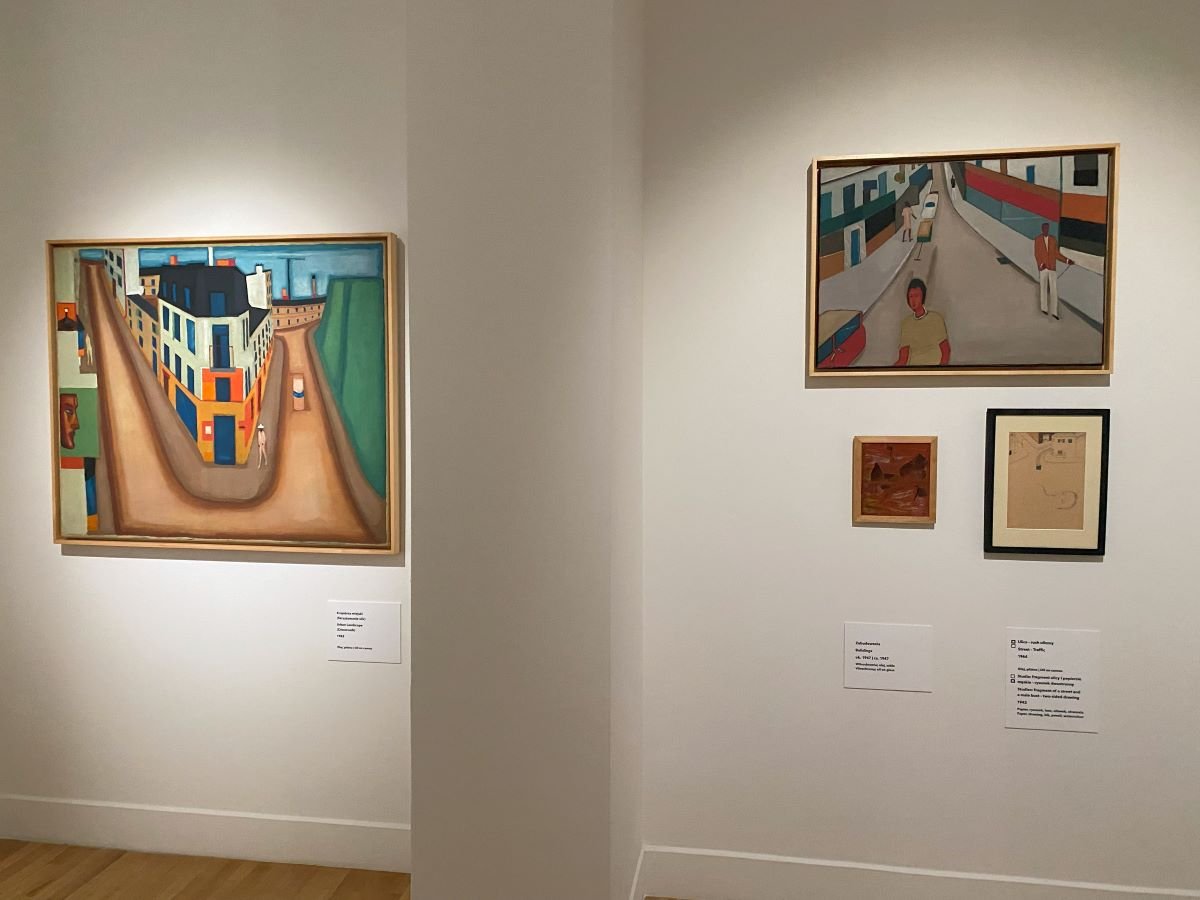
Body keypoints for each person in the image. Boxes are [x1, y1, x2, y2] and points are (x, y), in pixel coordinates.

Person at [895, 277, 950, 367]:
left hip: (934, 369)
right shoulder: (906, 324)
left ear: (923, 297)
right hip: (913, 371)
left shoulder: (936, 319)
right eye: (911, 296)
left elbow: (946, 351)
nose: (913, 300)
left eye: (917, 296)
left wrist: (939, 372)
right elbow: (903, 358)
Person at [1033, 222, 1073, 319]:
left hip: (1052, 268)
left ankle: (1054, 312)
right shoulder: (1038, 240)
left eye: (1047, 228)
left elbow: (1056, 254)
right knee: (1043, 288)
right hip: (1043, 268)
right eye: (1044, 228)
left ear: (1048, 229)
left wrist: (1067, 260)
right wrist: (1040, 265)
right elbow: (1037, 254)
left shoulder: (1053, 239)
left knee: (1054, 290)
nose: (1046, 230)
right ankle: (1044, 308)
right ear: (1042, 229)